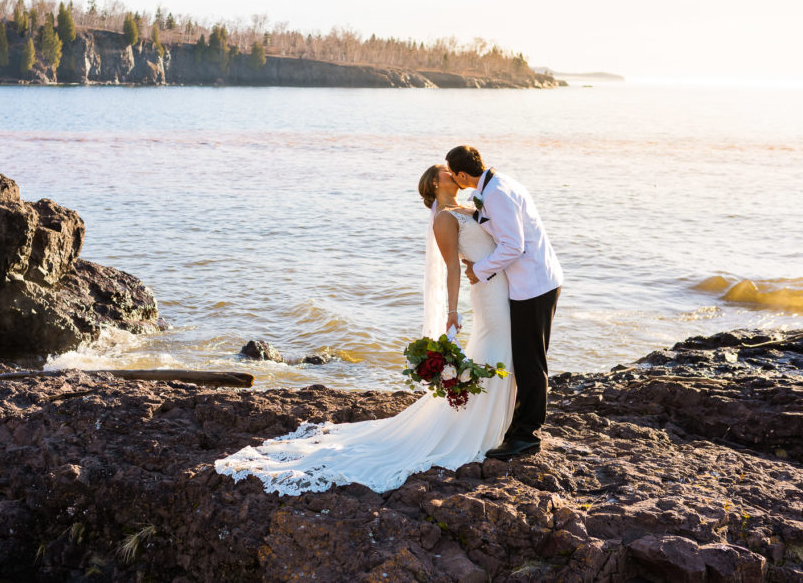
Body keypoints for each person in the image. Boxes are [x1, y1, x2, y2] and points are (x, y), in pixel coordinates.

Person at [214, 163, 517, 495]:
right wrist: (454, 310)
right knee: (496, 348)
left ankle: (494, 424)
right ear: (434, 182)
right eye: (448, 171)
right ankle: (480, 430)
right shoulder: (445, 218)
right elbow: (451, 269)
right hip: (487, 294)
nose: (455, 174)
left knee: (503, 350)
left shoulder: (472, 208)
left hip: (503, 285)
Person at [445, 145, 562, 459]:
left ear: (460, 174)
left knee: (531, 362)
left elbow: (513, 246)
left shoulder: (496, 193)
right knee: (525, 359)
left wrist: (478, 270)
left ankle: (527, 437)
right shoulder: (494, 187)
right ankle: (519, 427)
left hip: (535, 283)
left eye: (452, 175)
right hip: (531, 282)